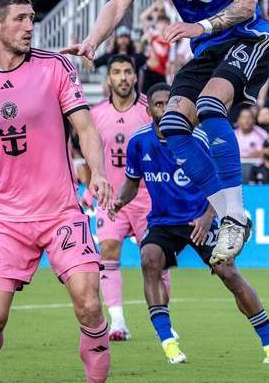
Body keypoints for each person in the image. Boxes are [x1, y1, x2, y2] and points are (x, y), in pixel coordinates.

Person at [63, 0, 269, 264]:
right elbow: (119, 3)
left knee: (209, 107)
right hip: (207, 50)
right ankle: (229, 214)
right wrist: (93, 40)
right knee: (173, 126)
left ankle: (235, 215)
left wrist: (200, 26)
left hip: (246, 39)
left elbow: (246, 4)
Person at [0, 0, 112, 383]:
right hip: (5, 217)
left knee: (89, 304)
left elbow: (85, 128)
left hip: (60, 210)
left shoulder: (56, 67)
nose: (30, 26)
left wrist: (97, 172)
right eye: (20, 19)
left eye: (32, 18)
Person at [111, 83, 269, 364]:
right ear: (148, 110)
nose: (166, 108)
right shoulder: (138, 142)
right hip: (164, 222)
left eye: (171, 103)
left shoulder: (198, 140)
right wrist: (119, 201)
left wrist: (207, 217)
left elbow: (219, 186)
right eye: (159, 104)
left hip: (200, 217)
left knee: (227, 272)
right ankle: (168, 342)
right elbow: (131, 184)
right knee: (149, 259)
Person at [84, 54, 163, 341]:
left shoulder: (148, 110)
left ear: (135, 77)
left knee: (155, 258)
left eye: (127, 72)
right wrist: (90, 187)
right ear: (109, 78)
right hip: (110, 198)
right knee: (107, 252)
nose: (123, 77)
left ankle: (163, 322)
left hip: (147, 198)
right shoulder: (95, 114)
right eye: (116, 72)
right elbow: (86, 155)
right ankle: (117, 322)